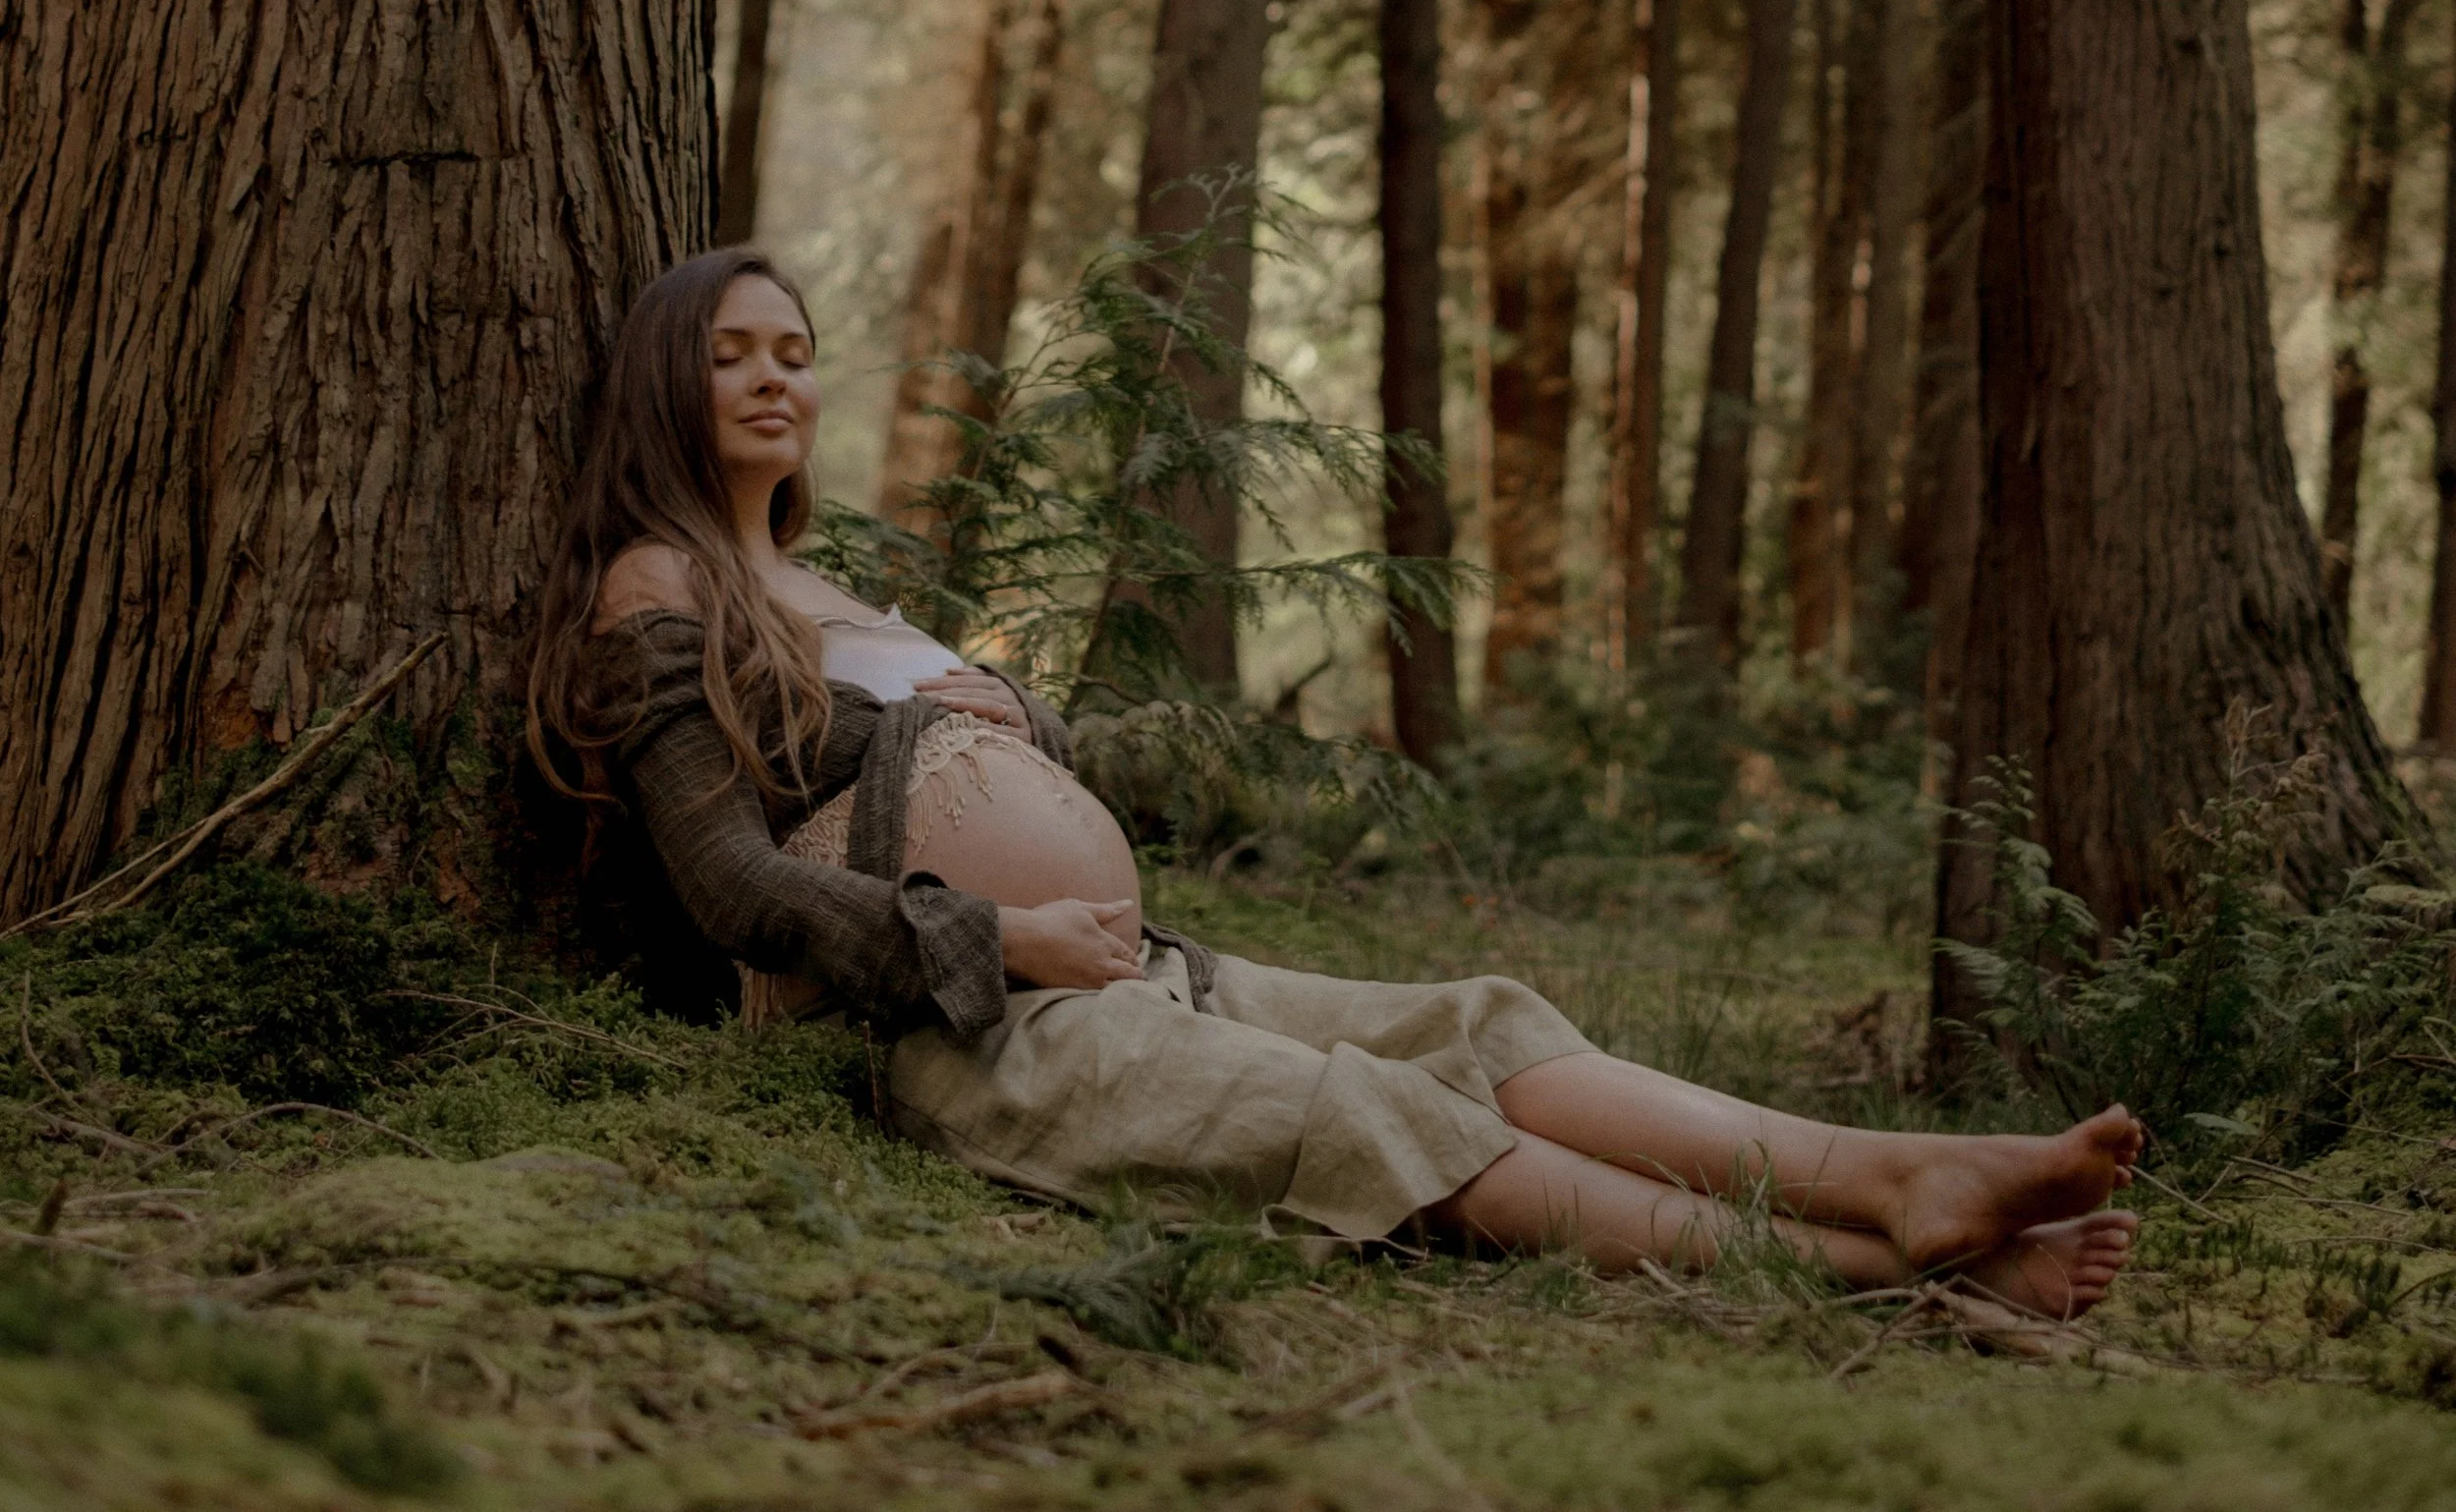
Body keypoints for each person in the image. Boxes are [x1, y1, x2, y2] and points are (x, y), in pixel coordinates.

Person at [528, 247, 2142, 1312]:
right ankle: (1897, 1273)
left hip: (1116, 971)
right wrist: (1003, 935)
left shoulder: (841, 586)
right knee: (1367, 1110)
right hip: (943, 1026)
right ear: (666, 379)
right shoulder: (654, 585)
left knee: (1477, 1020)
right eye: (731, 353)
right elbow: (728, 887)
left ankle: (1890, 1171)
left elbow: (958, 765)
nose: (774, 377)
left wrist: (1013, 736)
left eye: (796, 351)